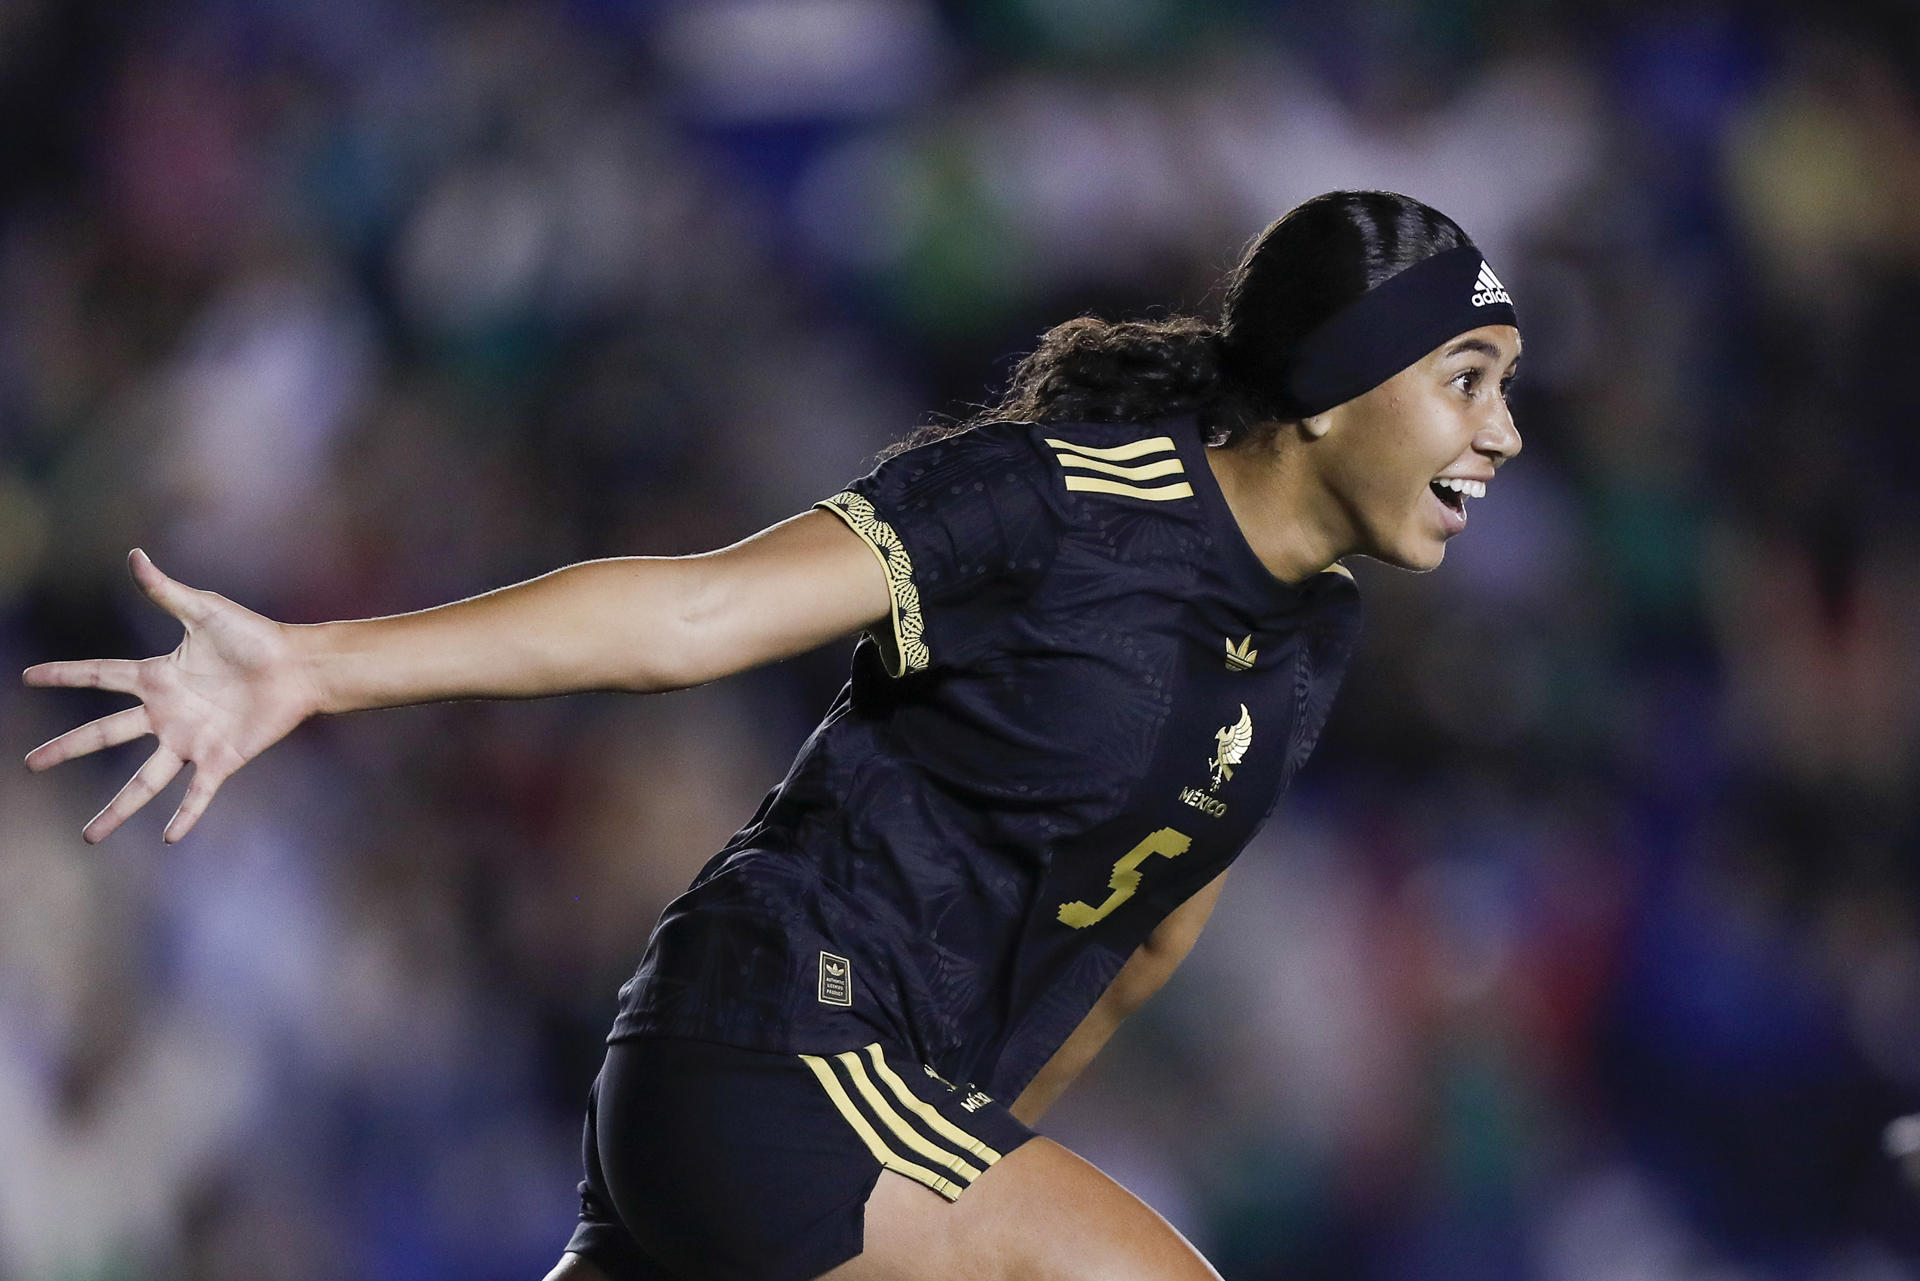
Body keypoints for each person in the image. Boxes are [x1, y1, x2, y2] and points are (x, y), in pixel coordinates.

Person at [22, 189, 1522, 1280]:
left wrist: (973, 1157)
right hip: (778, 1043)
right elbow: (688, 618)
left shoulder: (1314, 632)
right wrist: (311, 666)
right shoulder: (1059, 498)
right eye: (1467, 379)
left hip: (851, 1110)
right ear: (1334, 389)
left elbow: (1148, 944)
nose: (1503, 432)